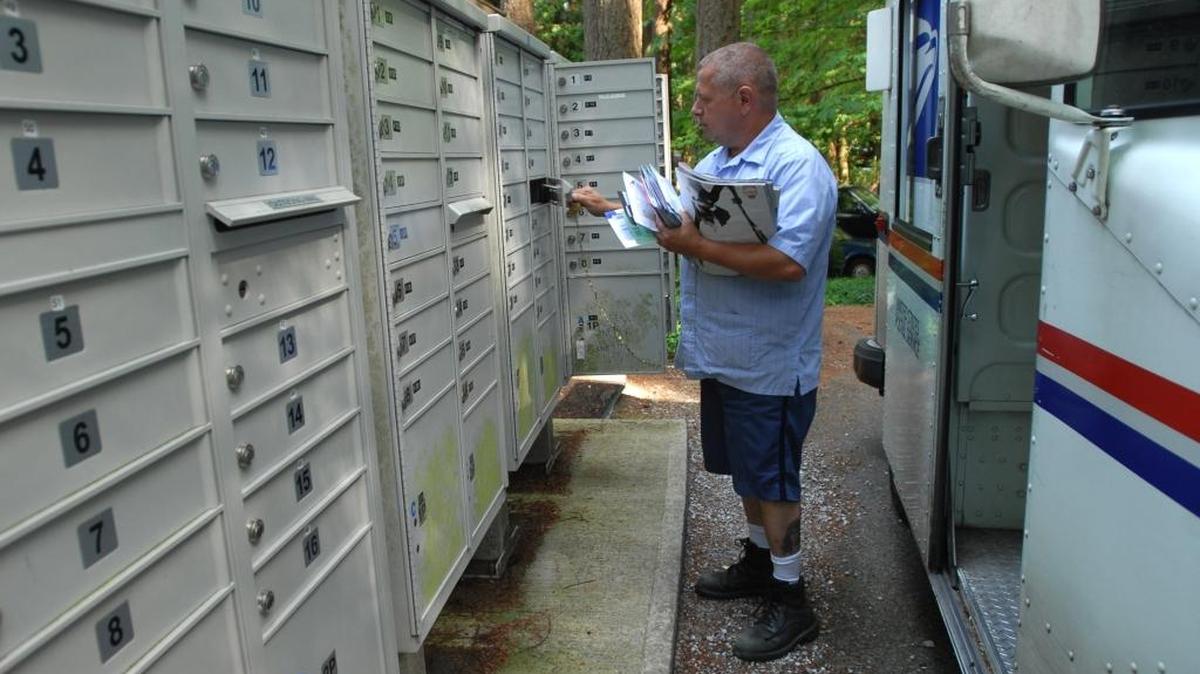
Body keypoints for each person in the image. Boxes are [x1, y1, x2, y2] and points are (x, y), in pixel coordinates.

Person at [570, 42, 837, 662]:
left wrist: (694, 248)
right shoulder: (722, 161)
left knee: (772, 481)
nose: (693, 109)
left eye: (703, 98)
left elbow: (788, 262)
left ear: (745, 99)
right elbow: (673, 223)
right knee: (746, 472)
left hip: (770, 364)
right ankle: (757, 562)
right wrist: (608, 206)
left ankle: (793, 601)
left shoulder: (797, 167)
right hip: (727, 354)